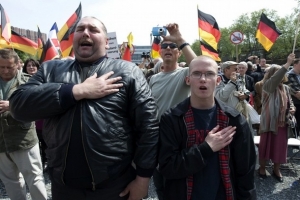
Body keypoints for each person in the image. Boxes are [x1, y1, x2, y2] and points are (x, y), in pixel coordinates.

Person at [9, 16, 159, 200]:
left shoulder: (127, 71)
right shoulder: (50, 70)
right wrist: (76, 91)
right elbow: (18, 105)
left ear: (106, 42)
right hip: (63, 188)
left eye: (93, 30)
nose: (85, 33)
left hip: (114, 187)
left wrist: (143, 179)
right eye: (80, 29)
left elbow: (148, 127)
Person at [158, 55, 257, 200]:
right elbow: (167, 167)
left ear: (217, 81)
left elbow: (246, 171)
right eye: (197, 73)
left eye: (209, 73)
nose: (203, 79)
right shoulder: (172, 118)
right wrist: (206, 148)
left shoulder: (234, 120)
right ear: (188, 80)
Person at [149, 23, 197, 200]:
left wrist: (180, 40)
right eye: (164, 46)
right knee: (160, 182)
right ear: (160, 53)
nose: (168, 48)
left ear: (178, 53)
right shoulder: (153, 78)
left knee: (179, 184)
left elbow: (199, 65)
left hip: (179, 135)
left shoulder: (185, 74)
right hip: (156, 136)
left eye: (172, 46)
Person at [0, 49, 47, 200]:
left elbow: (39, 107)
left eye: (10, 67)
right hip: (1, 143)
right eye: (2, 67)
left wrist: (13, 105)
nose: (6, 70)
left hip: (24, 140)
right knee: (11, 182)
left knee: (35, 179)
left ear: (18, 65)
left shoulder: (28, 81)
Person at [258, 54, 295, 183]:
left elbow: (290, 102)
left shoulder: (285, 88)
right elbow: (275, 79)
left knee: (280, 147)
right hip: (269, 122)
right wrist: (287, 63)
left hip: (282, 123)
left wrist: (292, 109)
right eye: (278, 73)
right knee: (265, 146)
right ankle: (262, 168)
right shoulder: (267, 85)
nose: (281, 75)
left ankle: (276, 169)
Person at [287, 59, 300, 136]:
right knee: (296, 124)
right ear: (295, 65)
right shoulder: (288, 75)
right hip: (295, 104)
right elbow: (294, 91)